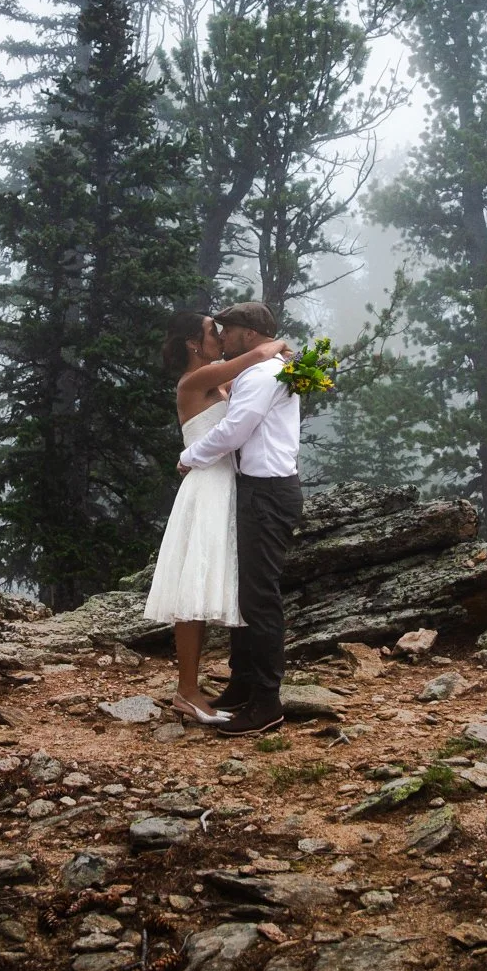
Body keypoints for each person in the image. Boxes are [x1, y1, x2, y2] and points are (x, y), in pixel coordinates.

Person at [144, 311, 291, 724]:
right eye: (214, 332)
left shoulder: (218, 380)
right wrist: (278, 347)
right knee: (194, 590)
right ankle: (186, 690)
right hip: (207, 489)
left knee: (214, 588)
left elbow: (250, 385)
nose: (221, 337)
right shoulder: (196, 380)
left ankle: (207, 684)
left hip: (226, 488)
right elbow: (256, 356)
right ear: (195, 342)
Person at [177, 302, 302, 737]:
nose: (224, 337)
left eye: (227, 329)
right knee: (247, 595)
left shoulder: (262, 374)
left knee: (259, 598)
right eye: (218, 330)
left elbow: (235, 430)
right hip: (253, 489)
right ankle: (243, 684)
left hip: (267, 492)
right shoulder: (258, 370)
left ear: (249, 334)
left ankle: (266, 701)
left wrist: (188, 457)